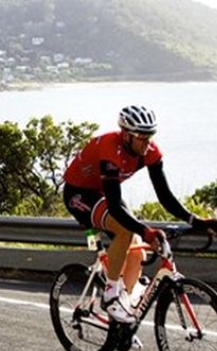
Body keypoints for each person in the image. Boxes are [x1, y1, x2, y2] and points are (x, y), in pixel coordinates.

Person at [62, 105, 217, 323]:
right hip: (79, 193)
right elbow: (115, 207)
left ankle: (122, 312)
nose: (147, 143)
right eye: (141, 138)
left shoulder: (150, 152)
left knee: (136, 252)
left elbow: (164, 196)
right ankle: (110, 295)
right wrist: (146, 231)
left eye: (150, 136)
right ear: (126, 135)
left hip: (104, 193)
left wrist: (195, 220)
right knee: (126, 230)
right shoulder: (110, 149)